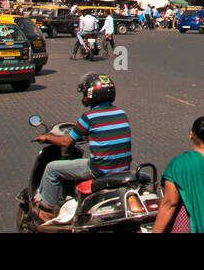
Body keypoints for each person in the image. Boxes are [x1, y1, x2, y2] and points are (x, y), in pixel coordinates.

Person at [33, 73, 131, 224]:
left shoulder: (89, 117)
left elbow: (67, 141)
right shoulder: (121, 113)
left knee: (52, 169)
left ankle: (47, 210)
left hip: (98, 169)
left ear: (91, 94)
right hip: (122, 168)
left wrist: (46, 138)